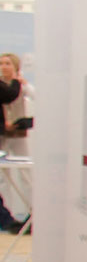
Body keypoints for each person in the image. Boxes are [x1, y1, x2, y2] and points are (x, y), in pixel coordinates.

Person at [0, 51, 30, 232]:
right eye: (1, 63)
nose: (4, 67)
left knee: (25, 173)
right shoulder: (6, 87)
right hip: (3, 136)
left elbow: (35, 96)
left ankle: (30, 213)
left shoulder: (21, 85)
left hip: (18, 135)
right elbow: (9, 94)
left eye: (7, 63)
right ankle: (7, 218)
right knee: (3, 176)